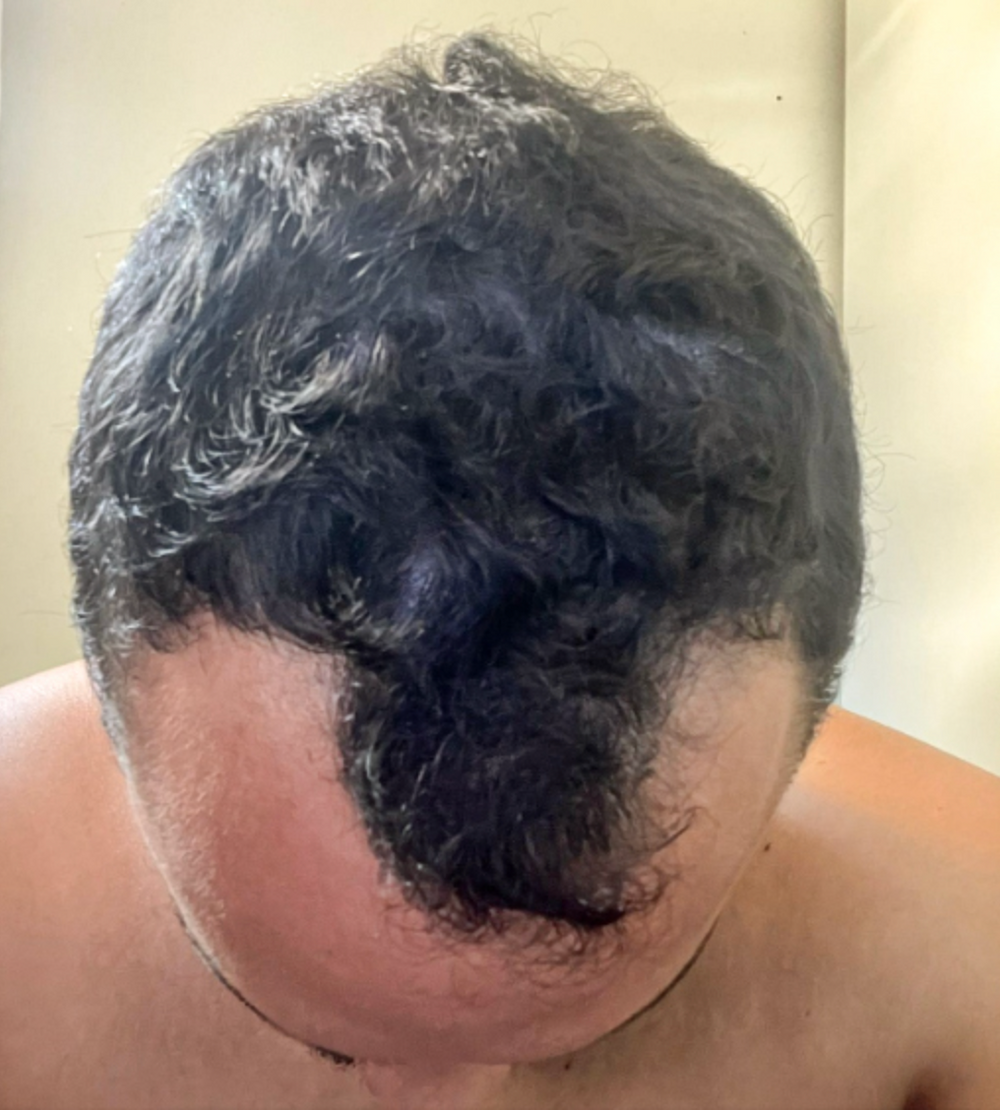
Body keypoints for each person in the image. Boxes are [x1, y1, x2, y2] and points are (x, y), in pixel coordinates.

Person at [0, 29, 997, 1110]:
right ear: (111, 696)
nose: (439, 1102)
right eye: (311, 1028)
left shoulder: (962, 955)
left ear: (806, 733)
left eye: (589, 1029)